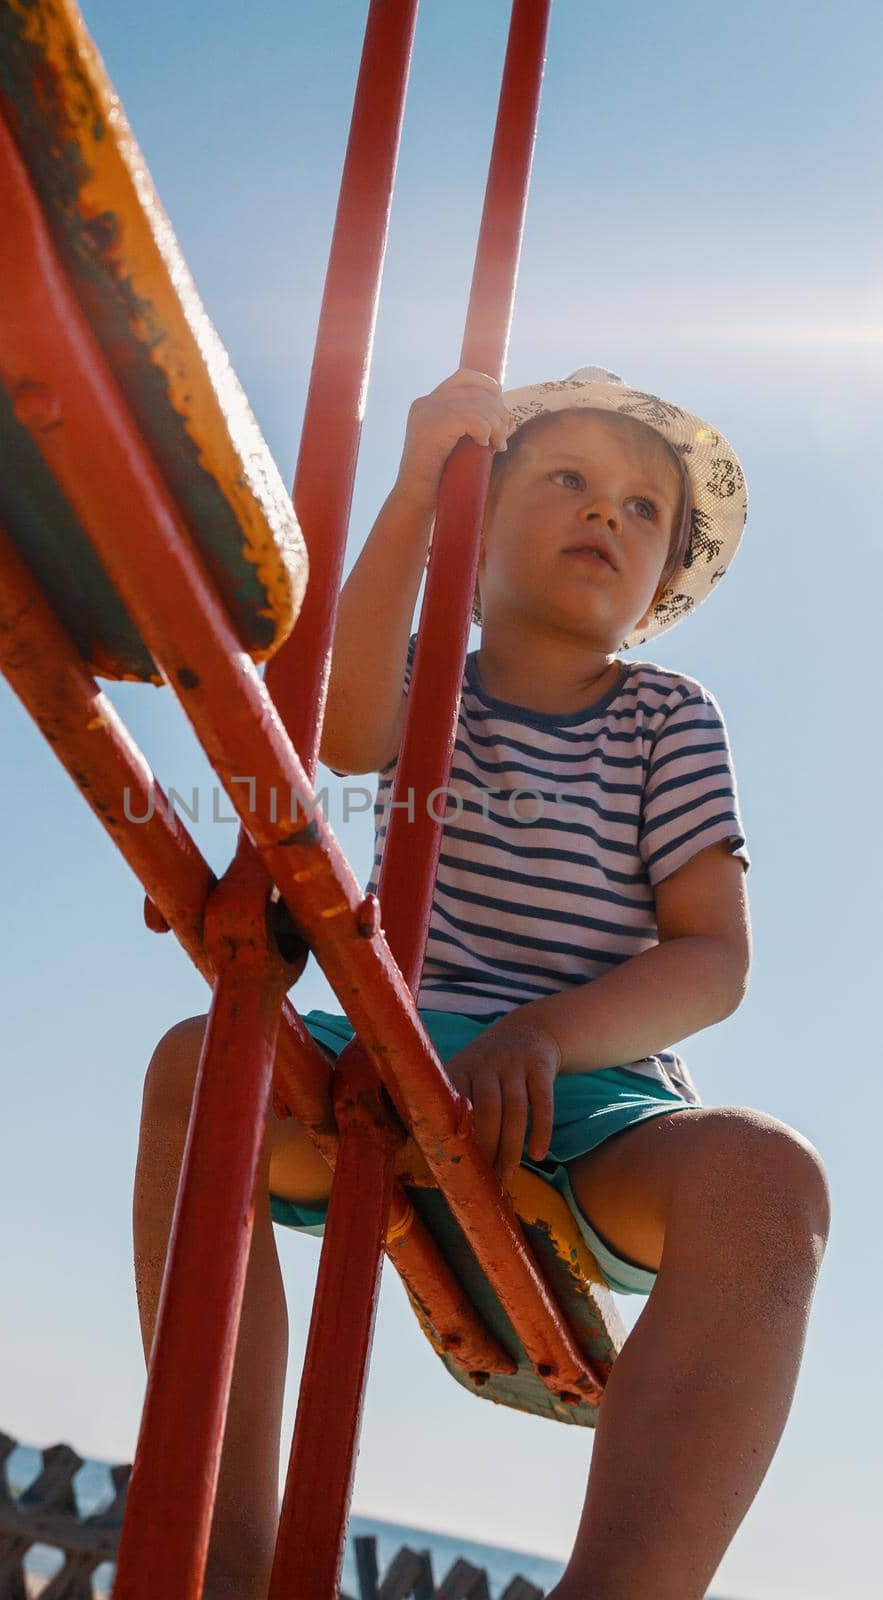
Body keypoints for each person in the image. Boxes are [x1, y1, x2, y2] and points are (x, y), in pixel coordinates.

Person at [134, 367, 830, 1600]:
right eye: (564, 478)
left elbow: (711, 957)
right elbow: (341, 733)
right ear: (480, 514)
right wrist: (412, 491)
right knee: (200, 1063)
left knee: (766, 1176)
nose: (603, 513)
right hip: (391, 1054)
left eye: (640, 508)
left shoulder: (664, 718)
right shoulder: (423, 687)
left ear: (662, 578)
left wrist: (546, 1037)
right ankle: (224, 1556)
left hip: (590, 1092)